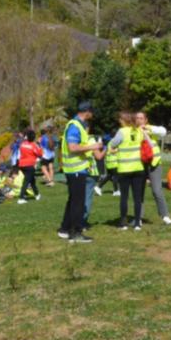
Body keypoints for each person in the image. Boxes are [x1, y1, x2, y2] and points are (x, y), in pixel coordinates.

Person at [57, 101, 101, 242]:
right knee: (78, 203)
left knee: (73, 201)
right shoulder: (75, 126)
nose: (92, 115)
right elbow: (73, 147)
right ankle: (75, 233)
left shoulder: (77, 125)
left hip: (74, 169)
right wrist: (92, 146)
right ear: (87, 111)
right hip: (75, 169)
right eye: (91, 112)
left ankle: (64, 229)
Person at [107, 111, 145, 230]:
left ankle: (123, 223)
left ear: (122, 120)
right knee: (137, 198)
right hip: (138, 167)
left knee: (124, 197)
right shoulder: (138, 131)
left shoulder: (121, 131)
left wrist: (113, 148)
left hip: (124, 169)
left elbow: (113, 144)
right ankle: (137, 223)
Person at [136, 111, 171, 225]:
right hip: (139, 165)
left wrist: (148, 128)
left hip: (154, 164)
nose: (139, 120)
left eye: (141, 118)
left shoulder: (151, 129)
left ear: (146, 120)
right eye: (137, 118)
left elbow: (163, 131)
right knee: (139, 191)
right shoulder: (133, 131)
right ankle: (138, 217)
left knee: (157, 191)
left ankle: (165, 215)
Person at [16, 130, 43, 204]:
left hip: (22, 165)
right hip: (29, 165)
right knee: (26, 181)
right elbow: (40, 154)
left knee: (32, 180)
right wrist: (39, 145)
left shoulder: (23, 144)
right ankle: (21, 198)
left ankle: (37, 195)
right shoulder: (33, 145)